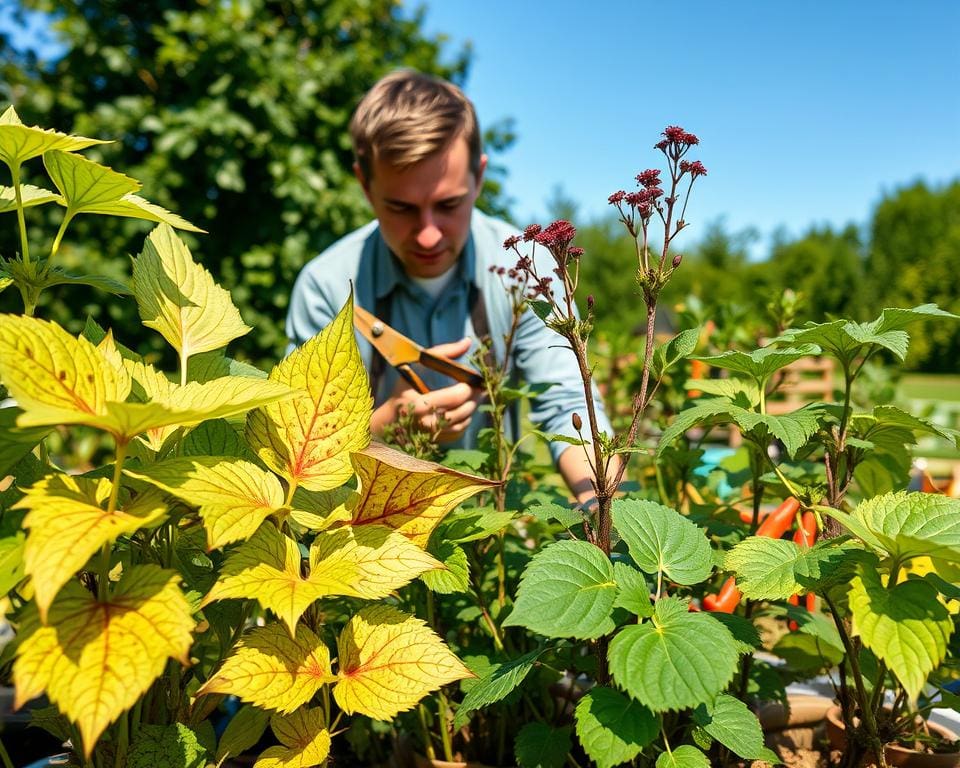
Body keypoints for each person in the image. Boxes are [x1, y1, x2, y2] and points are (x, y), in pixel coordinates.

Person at [286, 70, 613, 505]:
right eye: (401, 208)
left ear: (478, 176)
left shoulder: (530, 269)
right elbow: (298, 450)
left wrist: (611, 520)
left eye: (448, 205)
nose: (428, 235)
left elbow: (568, 405)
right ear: (364, 184)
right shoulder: (325, 287)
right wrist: (386, 423)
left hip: (491, 533)